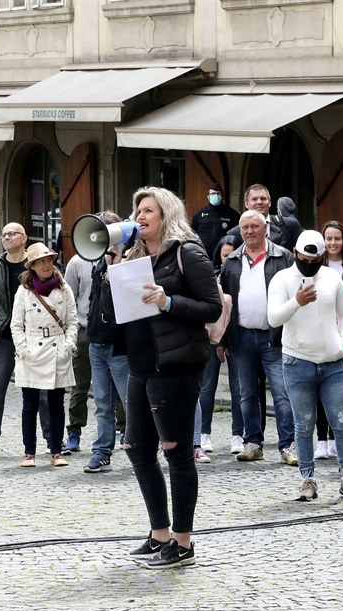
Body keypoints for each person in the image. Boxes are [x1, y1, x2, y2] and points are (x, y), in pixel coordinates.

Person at [115, 186, 221, 569]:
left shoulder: (186, 253)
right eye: (137, 210)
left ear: (166, 215)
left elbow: (211, 308)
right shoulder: (135, 257)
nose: (140, 216)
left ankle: (183, 542)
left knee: (175, 450)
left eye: (148, 210)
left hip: (175, 368)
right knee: (137, 450)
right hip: (141, 366)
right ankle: (159, 533)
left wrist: (168, 301)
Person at [268, 230, 343, 501]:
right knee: (303, 424)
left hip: (333, 362)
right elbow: (273, 318)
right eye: (305, 258)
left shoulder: (332, 278)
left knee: (342, 422)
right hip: (297, 360)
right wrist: (297, 302)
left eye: (316, 258)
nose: (310, 263)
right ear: (295, 254)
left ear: (322, 257)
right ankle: (308, 479)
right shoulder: (282, 279)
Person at [220, 210, 297, 464]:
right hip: (241, 337)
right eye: (245, 227)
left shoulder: (283, 257)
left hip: (273, 337)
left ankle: (288, 445)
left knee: (282, 392)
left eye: (255, 226)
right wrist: (222, 340)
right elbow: (225, 304)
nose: (250, 231)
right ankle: (253, 442)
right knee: (246, 393)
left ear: (265, 227)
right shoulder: (231, 260)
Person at [0, 223, 50, 455]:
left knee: (45, 391)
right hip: (4, 338)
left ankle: (52, 439)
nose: (6, 237)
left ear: (24, 238)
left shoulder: (37, 265)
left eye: (12, 233)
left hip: (35, 338)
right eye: (4, 234)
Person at [11, 243, 78, 468]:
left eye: (49, 260)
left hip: (57, 348)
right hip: (32, 350)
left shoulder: (64, 288)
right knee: (29, 404)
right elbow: (16, 325)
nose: (47, 265)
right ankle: (29, 452)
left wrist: (67, 346)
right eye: (41, 261)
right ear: (32, 266)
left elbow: (72, 322)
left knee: (56, 404)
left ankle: (56, 451)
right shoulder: (24, 291)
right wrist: (23, 350)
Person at [83, 212, 130, 473]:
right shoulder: (98, 263)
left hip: (117, 344)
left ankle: (140, 446)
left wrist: (117, 259)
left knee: (129, 401)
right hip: (96, 342)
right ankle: (102, 452)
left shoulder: (126, 259)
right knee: (102, 402)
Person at [315, 220, 343, 459]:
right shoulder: (314, 267)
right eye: (328, 239)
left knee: (340, 389)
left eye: (337, 238)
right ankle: (321, 438)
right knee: (319, 389)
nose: (333, 243)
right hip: (319, 331)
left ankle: (335, 436)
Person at [198, 234, 245, 455]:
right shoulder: (210, 275)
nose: (228, 260)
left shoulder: (242, 275)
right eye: (224, 255)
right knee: (207, 387)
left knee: (238, 388)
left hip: (236, 337)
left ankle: (238, 434)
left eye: (231, 255)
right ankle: (204, 432)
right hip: (212, 338)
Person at [63, 250, 94, 452]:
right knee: (80, 384)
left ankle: (123, 427)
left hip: (113, 329)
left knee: (118, 386)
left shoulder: (123, 257)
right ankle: (74, 431)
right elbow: (69, 296)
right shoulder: (77, 261)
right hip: (84, 329)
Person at [227, 184, 303, 252]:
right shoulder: (234, 234)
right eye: (254, 199)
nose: (259, 202)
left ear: (269, 202)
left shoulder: (290, 226)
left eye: (263, 198)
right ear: (246, 204)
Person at [190, 182, 240, 260]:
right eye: (213, 194)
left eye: (218, 194)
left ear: (222, 196)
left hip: (224, 254)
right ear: (208, 197)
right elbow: (192, 233)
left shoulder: (232, 214)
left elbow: (237, 234)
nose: (216, 196)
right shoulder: (199, 214)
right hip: (203, 254)